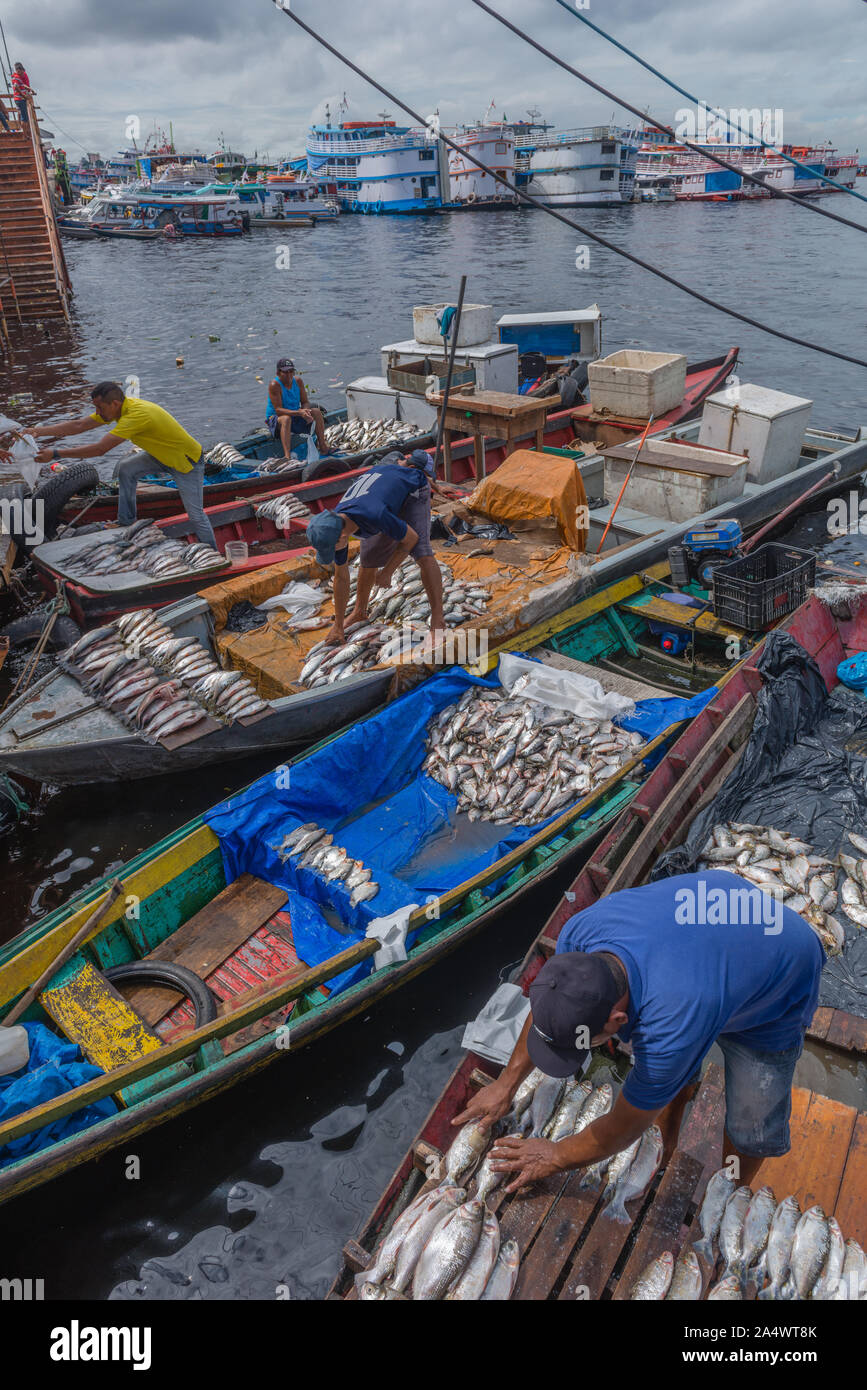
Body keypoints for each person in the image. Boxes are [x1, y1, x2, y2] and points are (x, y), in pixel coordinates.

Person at [454, 870, 824, 1194]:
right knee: (672, 1075)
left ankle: (730, 1193)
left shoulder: (671, 1022)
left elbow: (623, 1128)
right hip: (714, 918)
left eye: (583, 1042)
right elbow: (548, 1008)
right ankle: (664, 1146)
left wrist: (555, 1155)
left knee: (751, 1121)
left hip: (780, 971)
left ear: (616, 1021)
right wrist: (505, 1084)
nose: (581, 1050)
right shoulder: (577, 939)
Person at [31, 382, 217, 548]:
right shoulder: (118, 409)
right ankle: (126, 521)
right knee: (127, 469)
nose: (97, 412)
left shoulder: (136, 416)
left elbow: (100, 449)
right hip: (161, 455)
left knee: (195, 515)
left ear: (114, 404)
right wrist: (37, 431)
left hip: (186, 462)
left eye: (99, 407)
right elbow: (79, 425)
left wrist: (55, 454)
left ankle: (212, 554)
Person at [306, 449, 446, 643]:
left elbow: (410, 539)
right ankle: (359, 612)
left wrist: (388, 571)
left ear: (342, 536)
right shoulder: (335, 523)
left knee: (422, 553)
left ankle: (438, 619)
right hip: (382, 486)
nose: (335, 551)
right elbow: (341, 577)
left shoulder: (375, 514)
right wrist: (338, 625)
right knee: (369, 557)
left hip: (413, 491)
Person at [266, 358, 330, 457]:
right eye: (285, 372)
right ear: (278, 373)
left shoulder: (298, 381)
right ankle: (287, 457)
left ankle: (323, 447)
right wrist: (299, 413)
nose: (289, 375)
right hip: (277, 419)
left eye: (291, 371)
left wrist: (306, 411)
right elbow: (278, 410)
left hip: (295, 415)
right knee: (286, 419)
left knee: (316, 412)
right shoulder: (274, 385)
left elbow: (305, 402)